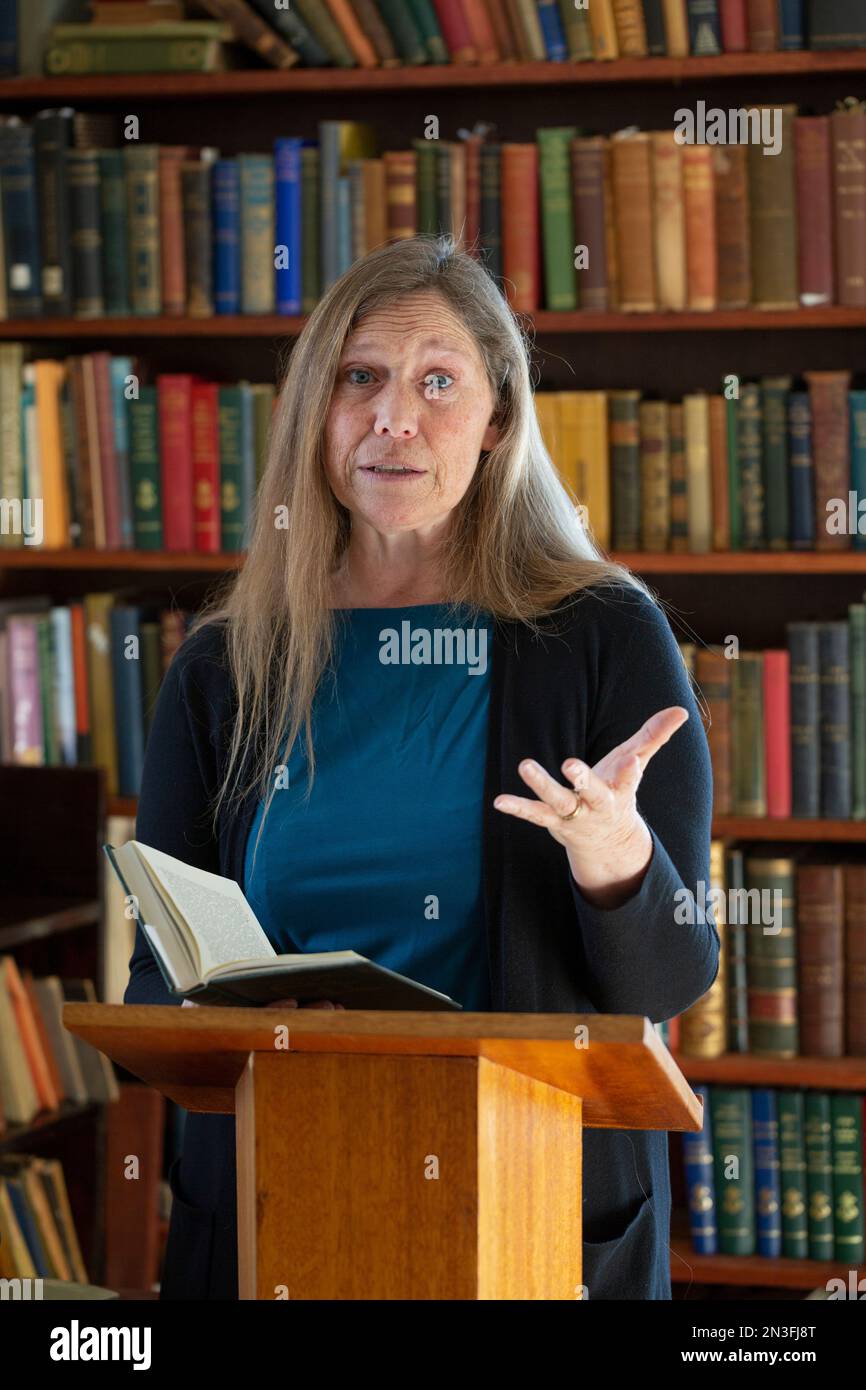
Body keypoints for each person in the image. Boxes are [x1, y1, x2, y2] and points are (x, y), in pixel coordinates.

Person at [125, 234, 719, 1300]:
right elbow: (150, 1004)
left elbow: (668, 981)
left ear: (496, 421)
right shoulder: (224, 665)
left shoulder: (602, 637)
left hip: (528, 1216)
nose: (393, 417)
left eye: (437, 381)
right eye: (360, 378)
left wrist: (616, 861)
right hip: (279, 1207)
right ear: (316, 408)